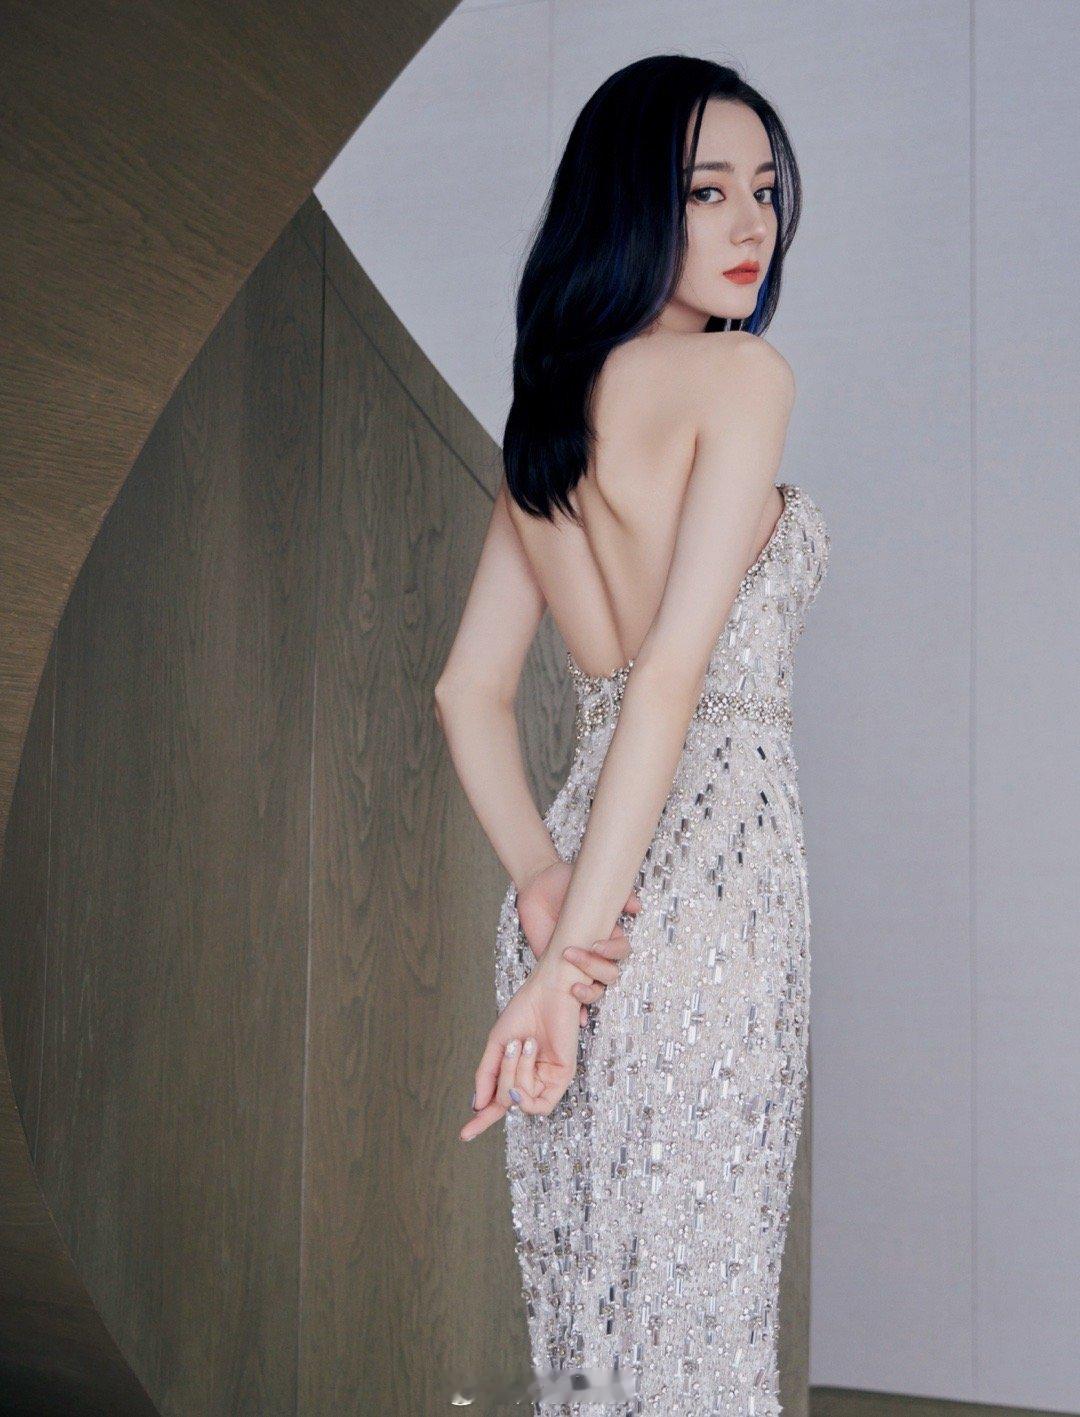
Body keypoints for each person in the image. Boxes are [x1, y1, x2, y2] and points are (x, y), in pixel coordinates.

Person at [434, 53, 831, 1416]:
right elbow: (670, 680)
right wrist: (562, 971)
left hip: (582, 891)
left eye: (764, 190)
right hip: (710, 888)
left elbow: (467, 693)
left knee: (597, 1322)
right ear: (628, 204)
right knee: (702, 1319)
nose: (750, 223)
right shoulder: (740, 377)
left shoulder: (545, 421)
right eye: (706, 190)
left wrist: (547, 896)